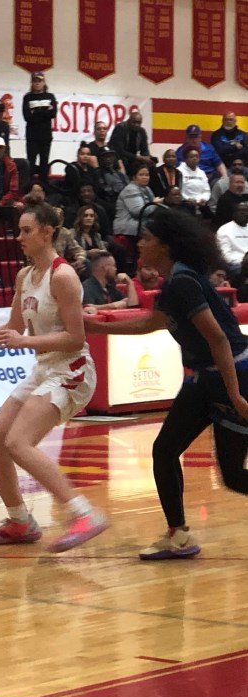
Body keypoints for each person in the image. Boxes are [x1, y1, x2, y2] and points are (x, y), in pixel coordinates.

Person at [0, 203, 107, 552]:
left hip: (71, 369)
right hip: (44, 368)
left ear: (47, 232)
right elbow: (13, 327)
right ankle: (20, 520)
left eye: (26, 230)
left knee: (18, 442)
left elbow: (76, 338)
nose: (19, 237)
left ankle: (84, 513)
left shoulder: (63, 276)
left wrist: (25, 342)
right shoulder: (25, 276)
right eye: (19, 230)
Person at [84, 208, 248, 559]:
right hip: (203, 380)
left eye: (146, 238)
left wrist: (235, 394)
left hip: (233, 374)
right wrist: (97, 326)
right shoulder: (176, 281)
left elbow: (218, 339)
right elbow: (151, 322)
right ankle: (179, 535)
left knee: (234, 476)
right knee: (165, 450)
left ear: (166, 245)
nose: (140, 244)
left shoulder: (184, 282)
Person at [113, 163, 161, 245]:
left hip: (140, 230)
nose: (145, 177)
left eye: (147, 175)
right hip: (127, 233)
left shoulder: (147, 188)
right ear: (134, 177)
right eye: (141, 175)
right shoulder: (130, 189)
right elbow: (138, 212)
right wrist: (154, 203)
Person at [22, 72, 57, 181]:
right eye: (35, 81)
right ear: (31, 83)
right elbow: (27, 117)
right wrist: (45, 111)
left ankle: (43, 186)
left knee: (44, 163)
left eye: (39, 81)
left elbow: (53, 114)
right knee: (31, 163)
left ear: (44, 82)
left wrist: (36, 111)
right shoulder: (28, 97)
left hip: (46, 137)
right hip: (32, 137)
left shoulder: (50, 96)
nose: (37, 83)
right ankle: (29, 186)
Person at [216, 202, 248, 279]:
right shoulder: (224, 230)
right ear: (234, 213)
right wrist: (244, 262)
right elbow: (225, 256)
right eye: (241, 211)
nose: (244, 213)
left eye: (246, 211)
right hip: (236, 265)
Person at [177, 148, 212, 216]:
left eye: (197, 156)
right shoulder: (179, 171)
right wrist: (187, 199)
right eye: (192, 157)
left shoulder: (202, 173)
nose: (195, 158)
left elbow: (206, 190)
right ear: (186, 159)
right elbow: (179, 190)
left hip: (201, 203)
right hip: (186, 203)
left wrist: (204, 199)